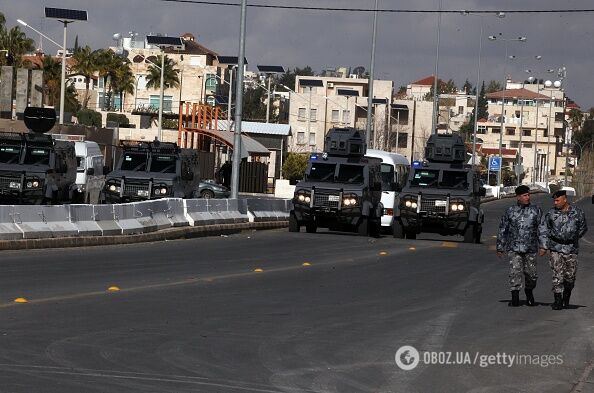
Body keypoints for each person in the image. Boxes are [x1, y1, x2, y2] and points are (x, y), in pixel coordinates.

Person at [539, 190, 588, 310]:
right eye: (554, 200)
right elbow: (545, 230)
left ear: (565, 199)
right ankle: (558, 300)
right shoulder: (551, 213)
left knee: (570, 277)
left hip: (571, 249)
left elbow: (583, 228)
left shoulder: (577, 213)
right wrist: (545, 245)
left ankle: (566, 297)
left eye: (558, 200)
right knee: (557, 275)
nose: (555, 203)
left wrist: (573, 237)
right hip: (556, 248)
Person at [496, 185, 543, 307]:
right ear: (518, 197)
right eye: (524, 195)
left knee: (531, 274)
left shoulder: (535, 210)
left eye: (528, 195)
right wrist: (500, 246)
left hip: (530, 248)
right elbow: (503, 229)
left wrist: (543, 246)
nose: (527, 197)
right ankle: (515, 296)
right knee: (515, 272)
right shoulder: (510, 211)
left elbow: (542, 229)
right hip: (514, 247)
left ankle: (529, 291)